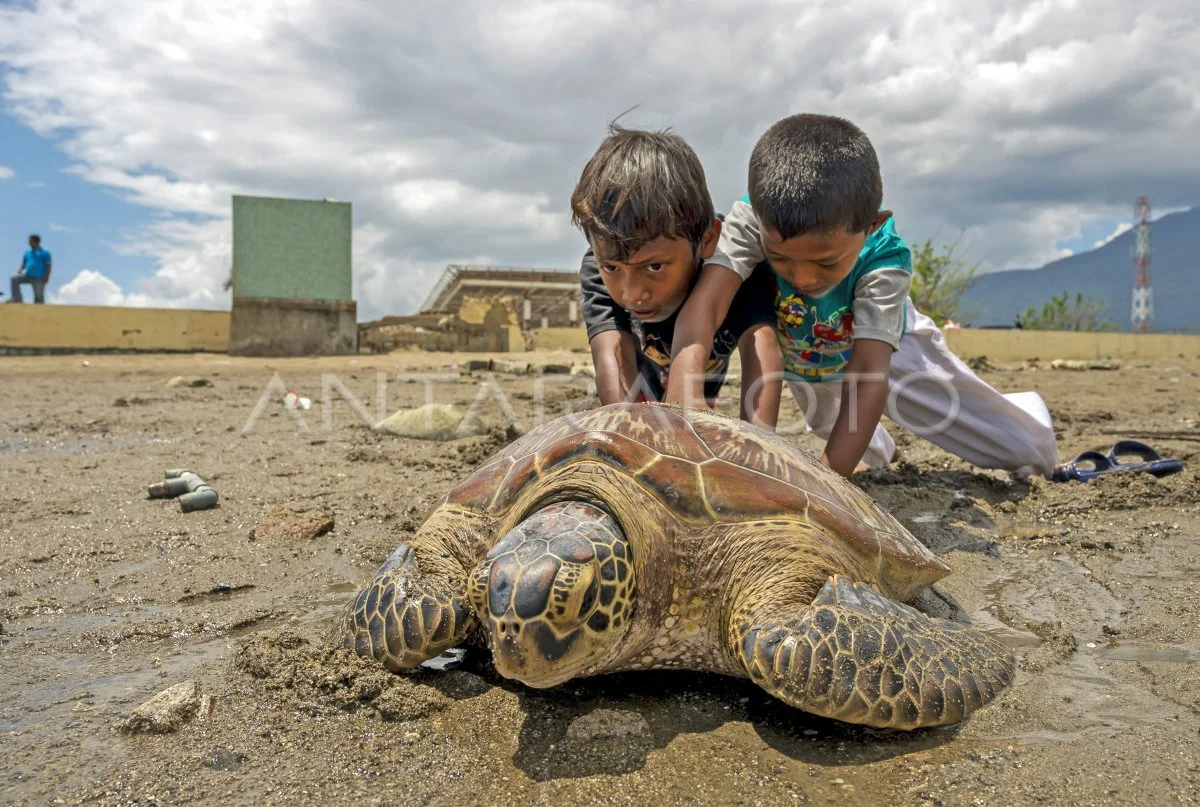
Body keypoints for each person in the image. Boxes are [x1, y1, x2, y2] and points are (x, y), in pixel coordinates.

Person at [707, 113, 1058, 479]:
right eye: (780, 259)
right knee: (848, 440)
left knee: (1026, 450)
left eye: (827, 262)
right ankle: (882, 453)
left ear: (872, 226)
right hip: (808, 357)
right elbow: (707, 305)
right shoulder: (751, 220)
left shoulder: (884, 262)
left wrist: (826, 487)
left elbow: (868, 374)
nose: (803, 279)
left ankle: (1025, 414)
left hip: (890, 348)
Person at [571, 125, 783, 426]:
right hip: (640, 389)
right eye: (613, 268)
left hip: (701, 390)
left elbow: (760, 348)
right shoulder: (597, 265)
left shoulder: (736, 269)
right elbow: (612, 353)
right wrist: (628, 433)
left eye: (654, 267)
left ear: (707, 240)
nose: (632, 294)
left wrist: (758, 448)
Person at [11, 234, 52, 304]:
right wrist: (20, 269)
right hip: (28, 276)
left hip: (39, 278)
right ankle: (17, 299)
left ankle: (38, 311)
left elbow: (48, 265)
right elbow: (24, 263)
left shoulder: (45, 252)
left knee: (39, 299)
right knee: (14, 279)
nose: (29, 242)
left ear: (37, 242)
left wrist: (47, 276)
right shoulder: (27, 252)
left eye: (31, 241)